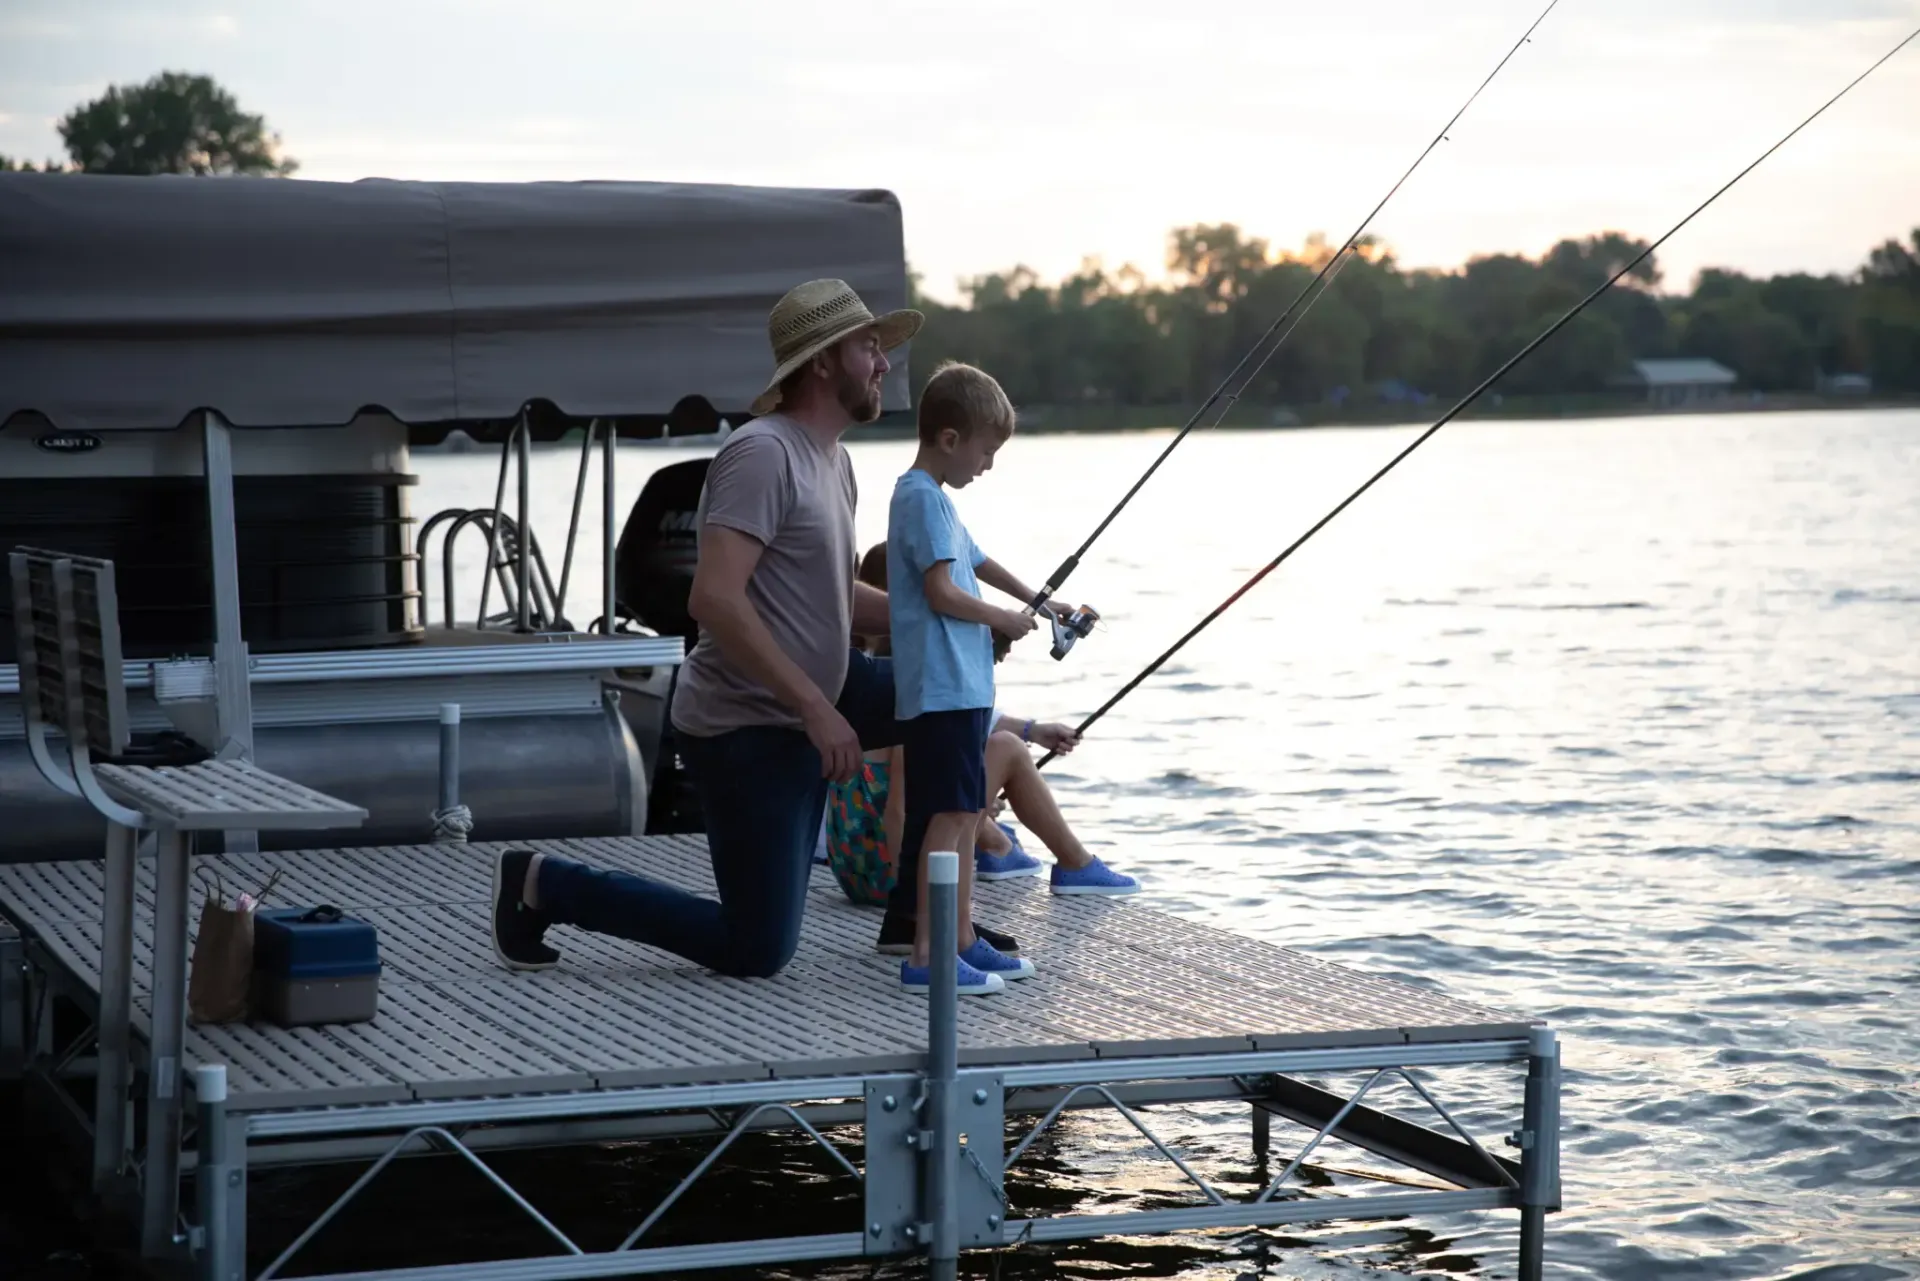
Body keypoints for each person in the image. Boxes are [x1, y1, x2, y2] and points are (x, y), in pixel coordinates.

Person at [488, 279, 1022, 982]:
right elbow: (714, 599)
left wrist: (959, 623)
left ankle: (917, 921)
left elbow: (829, 600)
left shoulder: (837, 462)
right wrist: (815, 711)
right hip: (750, 727)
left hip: (828, 691)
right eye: (870, 348)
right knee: (757, 947)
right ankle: (544, 882)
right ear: (825, 361)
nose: (885, 363)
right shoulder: (761, 454)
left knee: (950, 704)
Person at [886, 360, 1068, 994]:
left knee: (965, 814)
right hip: (940, 690)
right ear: (949, 439)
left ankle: (960, 939)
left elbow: (978, 561)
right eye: (986, 451)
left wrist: (1042, 603)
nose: (987, 466)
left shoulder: (936, 501)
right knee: (948, 818)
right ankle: (927, 956)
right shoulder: (918, 497)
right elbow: (940, 590)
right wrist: (1006, 621)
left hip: (961, 690)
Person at [827, 543, 1139, 911]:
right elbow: (900, 805)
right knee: (1005, 747)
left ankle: (1004, 848)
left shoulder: (861, 669)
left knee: (991, 747)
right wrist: (906, 900)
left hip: (852, 862)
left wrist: (1032, 729)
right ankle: (1068, 862)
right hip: (885, 873)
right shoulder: (904, 684)